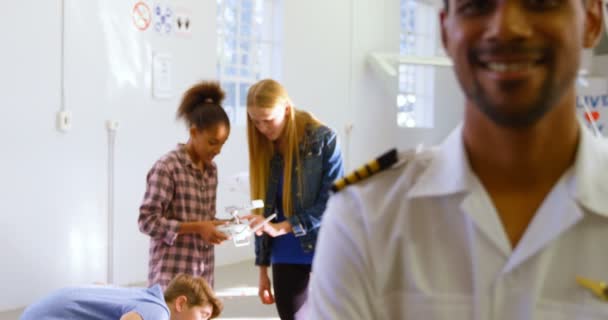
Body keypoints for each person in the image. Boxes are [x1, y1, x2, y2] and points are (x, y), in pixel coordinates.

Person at [309, 1, 607, 319]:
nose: (506, 28)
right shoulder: (366, 218)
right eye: (477, 5)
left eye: (539, 3)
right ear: (446, 32)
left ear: (591, 21)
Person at [242, 79, 344, 319]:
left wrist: (282, 228)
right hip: (285, 255)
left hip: (325, 248)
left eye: (267, 120)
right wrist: (262, 272)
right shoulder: (263, 148)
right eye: (255, 122)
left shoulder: (323, 140)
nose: (262, 128)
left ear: (286, 110)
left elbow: (332, 202)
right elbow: (264, 216)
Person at [139, 81, 231, 290]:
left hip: (202, 276)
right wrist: (199, 227)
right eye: (212, 142)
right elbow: (147, 221)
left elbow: (204, 220)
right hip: (170, 279)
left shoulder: (211, 170)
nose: (218, 150)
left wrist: (226, 225)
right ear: (194, 132)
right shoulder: (167, 167)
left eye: (223, 143)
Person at [20, 273, 223, 320]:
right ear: (181, 302)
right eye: (203, 315)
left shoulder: (145, 296)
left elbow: (99, 284)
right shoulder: (158, 312)